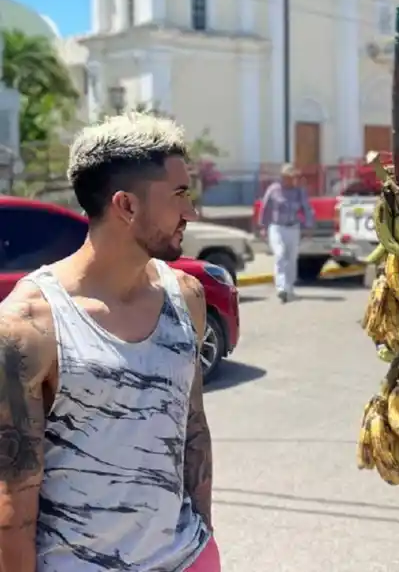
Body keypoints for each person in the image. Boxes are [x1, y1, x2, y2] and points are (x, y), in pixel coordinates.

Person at [0, 112, 220, 572]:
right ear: (126, 205)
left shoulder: (187, 297)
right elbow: (13, 500)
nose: (191, 212)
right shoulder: (29, 325)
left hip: (188, 557)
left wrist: (204, 542)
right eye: (179, 194)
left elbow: (193, 428)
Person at [259, 163, 315, 303]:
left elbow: (306, 209)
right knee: (280, 254)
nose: (291, 180)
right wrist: (263, 226)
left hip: (293, 228)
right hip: (277, 227)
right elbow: (265, 208)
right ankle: (281, 288)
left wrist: (308, 226)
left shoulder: (299, 191)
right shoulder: (274, 190)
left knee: (291, 258)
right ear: (282, 177)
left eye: (293, 177)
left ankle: (289, 287)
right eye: (288, 177)